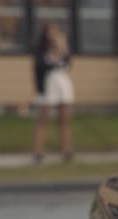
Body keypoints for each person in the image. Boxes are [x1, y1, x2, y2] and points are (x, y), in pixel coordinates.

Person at [33, 22, 74, 163]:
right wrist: (55, 55)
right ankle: (38, 153)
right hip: (48, 84)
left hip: (62, 83)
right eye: (51, 31)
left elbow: (68, 64)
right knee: (43, 120)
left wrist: (62, 49)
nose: (53, 34)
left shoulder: (62, 46)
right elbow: (42, 65)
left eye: (55, 31)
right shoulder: (41, 49)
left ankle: (67, 152)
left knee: (64, 119)